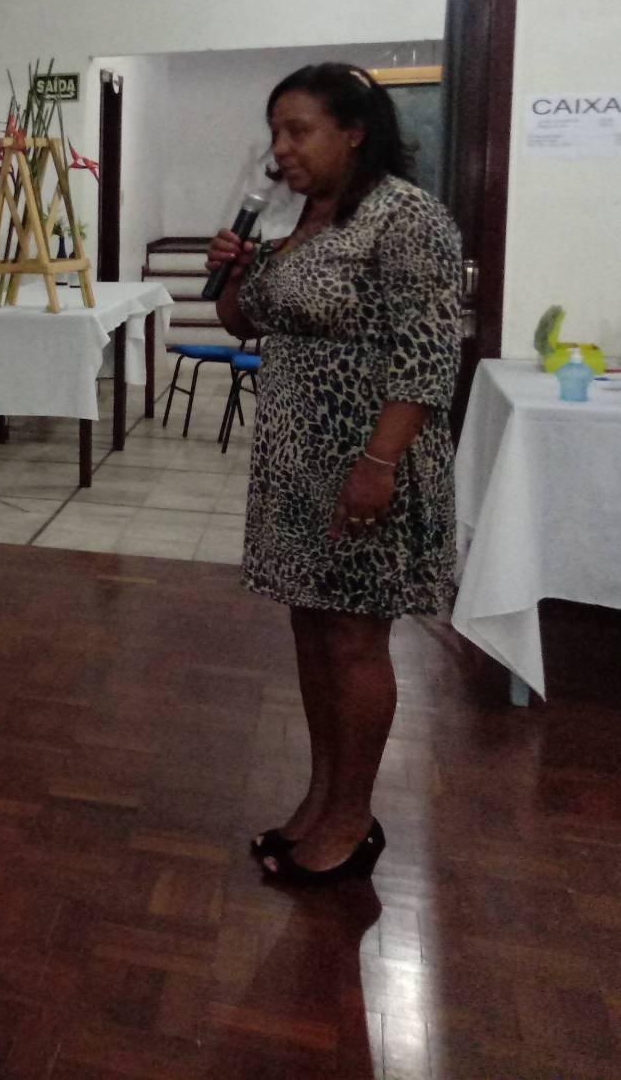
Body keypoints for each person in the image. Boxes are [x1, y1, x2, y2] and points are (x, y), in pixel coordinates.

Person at [206, 62, 461, 887]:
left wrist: (378, 464)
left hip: (366, 462)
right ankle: (321, 798)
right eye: (276, 133)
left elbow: (428, 358)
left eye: (300, 131)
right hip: (296, 465)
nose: (282, 149)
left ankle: (353, 823)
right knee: (313, 634)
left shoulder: (406, 218)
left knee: (354, 641)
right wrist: (238, 272)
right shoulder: (304, 217)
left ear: (355, 132)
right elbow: (248, 324)